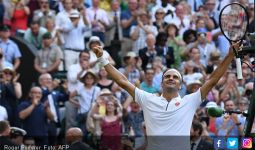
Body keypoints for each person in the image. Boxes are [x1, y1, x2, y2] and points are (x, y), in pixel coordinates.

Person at [91, 40, 241, 149]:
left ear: (180, 85)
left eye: (175, 77)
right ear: (161, 83)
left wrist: (229, 56)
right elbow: (122, 81)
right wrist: (101, 58)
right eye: (167, 76)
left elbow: (213, 80)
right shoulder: (147, 99)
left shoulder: (190, 101)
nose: (171, 78)